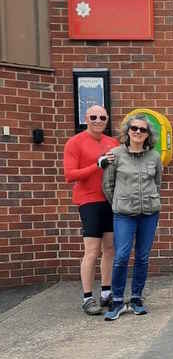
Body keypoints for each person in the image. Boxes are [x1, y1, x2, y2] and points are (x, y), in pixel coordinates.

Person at [102, 114, 163, 321]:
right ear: (127, 131)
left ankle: (136, 298)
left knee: (143, 257)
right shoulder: (115, 155)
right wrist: (120, 203)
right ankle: (118, 300)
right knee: (121, 256)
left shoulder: (154, 156)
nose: (137, 132)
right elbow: (107, 185)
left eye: (142, 130)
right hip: (124, 215)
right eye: (134, 128)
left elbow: (158, 181)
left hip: (149, 213)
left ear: (148, 135)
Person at [63, 105, 119, 315]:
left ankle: (106, 292)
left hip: (109, 201)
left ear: (106, 120)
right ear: (86, 119)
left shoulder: (112, 142)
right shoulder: (75, 142)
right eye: (93, 117)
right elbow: (70, 175)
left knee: (110, 249)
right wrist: (97, 164)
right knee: (92, 251)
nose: (98, 120)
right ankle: (87, 297)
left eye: (102, 117)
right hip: (88, 202)